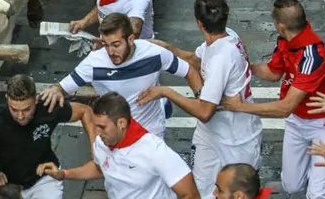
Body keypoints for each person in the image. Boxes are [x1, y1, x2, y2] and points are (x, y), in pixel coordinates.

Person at [136, 0, 263, 199]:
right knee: (203, 191)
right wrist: (165, 48)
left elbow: (205, 112)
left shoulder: (221, 58)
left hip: (236, 141)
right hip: (210, 136)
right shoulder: (227, 35)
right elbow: (195, 60)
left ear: (199, 23)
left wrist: (167, 92)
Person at [220, 0, 325, 199]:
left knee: (318, 195)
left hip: (322, 123)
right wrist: (245, 67)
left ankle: (320, 180)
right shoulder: (285, 41)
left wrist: (240, 107)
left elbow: (285, 108)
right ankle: (316, 173)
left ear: (281, 26)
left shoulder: (313, 56)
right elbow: (274, 73)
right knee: (291, 186)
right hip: (297, 122)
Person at [40, 13, 203, 139]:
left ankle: (162, 103)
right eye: (106, 45)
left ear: (131, 39)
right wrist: (56, 90)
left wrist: (201, 99)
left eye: (116, 45)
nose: (111, 52)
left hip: (151, 130)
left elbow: (189, 71)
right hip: (116, 132)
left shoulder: (155, 54)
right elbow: (62, 87)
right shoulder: (94, 63)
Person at [39, 92, 201, 199]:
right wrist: (65, 174)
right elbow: (99, 167)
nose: (97, 132)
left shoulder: (154, 150)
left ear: (121, 123)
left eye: (102, 127)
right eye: (95, 125)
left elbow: (191, 194)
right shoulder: (102, 142)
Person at [0, 74, 95, 198]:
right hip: (9, 186)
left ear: (36, 99)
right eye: (14, 109)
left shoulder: (48, 107)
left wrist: (96, 151)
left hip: (45, 179)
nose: (20, 116)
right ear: (7, 98)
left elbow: (85, 111)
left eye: (27, 109)